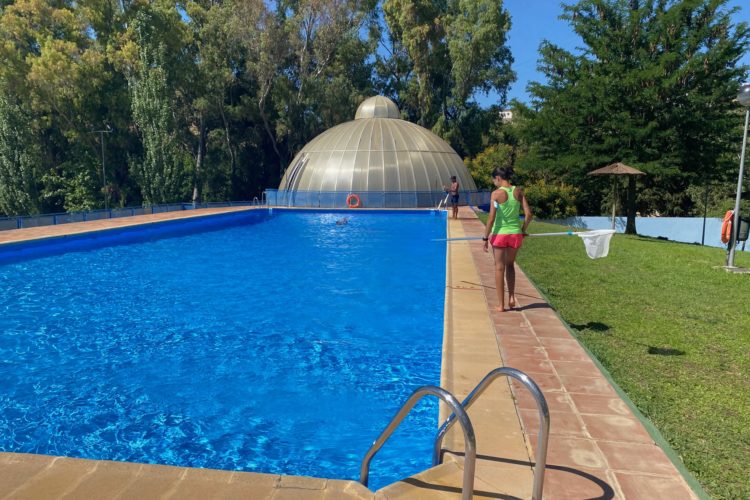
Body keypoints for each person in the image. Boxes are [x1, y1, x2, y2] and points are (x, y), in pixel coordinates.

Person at [483, 166, 532, 312]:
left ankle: (501, 305)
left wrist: (485, 237)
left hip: (500, 234)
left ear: (498, 178)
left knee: (499, 267)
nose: (494, 183)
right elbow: (529, 215)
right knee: (510, 265)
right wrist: (523, 231)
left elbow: (491, 218)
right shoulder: (518, 191)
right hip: (515, 234)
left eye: (494, 180)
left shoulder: (496, 194)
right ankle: (511, 297)